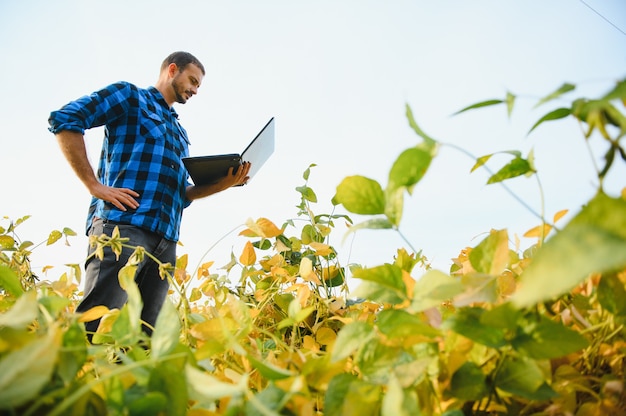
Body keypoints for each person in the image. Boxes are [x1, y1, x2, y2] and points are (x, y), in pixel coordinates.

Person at [48, 51, 250, 341]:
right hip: (124, 227)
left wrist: (223, 184)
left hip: (165, 243)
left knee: (144, 339)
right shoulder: (130, 97)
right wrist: (95, 185)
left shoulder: (180, 132)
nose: (194, 90)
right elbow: (66, 119)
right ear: (172, 70)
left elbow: (180, 194)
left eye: (198, 86)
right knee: (96, 325)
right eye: (192, 81)